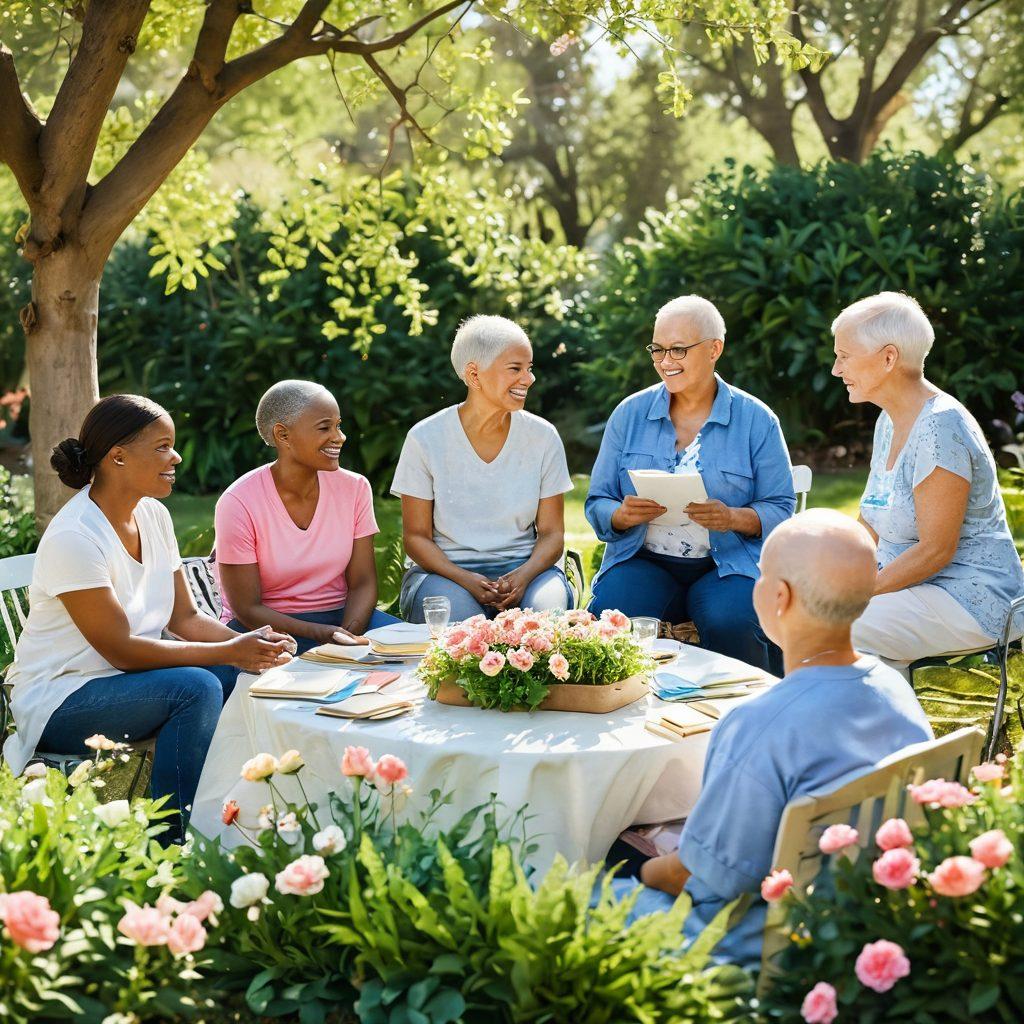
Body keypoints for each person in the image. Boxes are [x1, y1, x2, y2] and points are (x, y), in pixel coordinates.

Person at [607, 509, 932, 969]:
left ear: (778, 596)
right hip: (854, 920)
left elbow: (696, 878)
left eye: (759, 574)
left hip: (747, 944)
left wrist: (635, 868)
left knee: (574, 874)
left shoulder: (759, 723)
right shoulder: (897, 691)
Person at [3, 395, 293, 843]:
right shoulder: (75, 536)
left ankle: (237, 807)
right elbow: (119, 649)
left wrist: (249, 642)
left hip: (127, 682)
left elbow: (186, 617)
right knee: (194, 686)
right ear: (117, 456)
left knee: (229, 668)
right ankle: (171, 841)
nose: (175, 456)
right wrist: (229, 649)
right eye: (162, 447)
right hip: (62, 698)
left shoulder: (153, 516)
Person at [585, 295, 795, 673]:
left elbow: (781, 508)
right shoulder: (629, 414)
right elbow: (596, 500)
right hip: (642, 560)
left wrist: (733, 517)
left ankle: (744, 721)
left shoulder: (756, 420)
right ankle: (625, 715)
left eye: (678, 349)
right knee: (610, 617)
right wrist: (620, 514)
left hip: (727, 564)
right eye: (658, 350)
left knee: (733, 619)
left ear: (715, 349)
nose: (666, 362)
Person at [832, 292, 1024, 669]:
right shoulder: (888, 420)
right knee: (810, 610)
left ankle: (883, 724)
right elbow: (870, 519)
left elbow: (937, 550)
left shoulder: (940, 427)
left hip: (969, 595)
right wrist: (832, 567)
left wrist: (858, 591)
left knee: (839, 627)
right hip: (914, 586)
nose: (836, 370)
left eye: (845, 356)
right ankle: (886, 724)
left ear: (888, 358)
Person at [391, 315, 574, 622]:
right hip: (444, 576)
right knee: (465, 639)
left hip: (528, 572)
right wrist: (464, 579)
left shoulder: (543, 437)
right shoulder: (425, 438)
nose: (529, 379)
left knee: (541, 630)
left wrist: (524, 575)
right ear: (474, 375)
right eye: (515, 369)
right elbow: (416, 537)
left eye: (529, 369)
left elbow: (553, 534)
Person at [214, 380, 400, 656]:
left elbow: (362, 582)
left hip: (343, 619)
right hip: (265, 628)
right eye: (325, 427)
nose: (339, 437)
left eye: (338, 425)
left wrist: (347, 634)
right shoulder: (238, 502)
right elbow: (247, 608)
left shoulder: (355, 488)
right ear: (283, 435)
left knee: (416, 660)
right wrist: (320, 634)